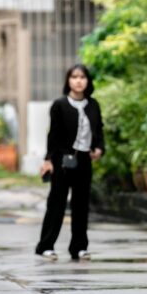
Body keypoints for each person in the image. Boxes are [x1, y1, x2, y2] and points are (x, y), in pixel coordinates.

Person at [35, 64, 105, 261]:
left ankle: (79, 248)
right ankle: (45, 246)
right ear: (68, 81)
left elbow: (99, 130)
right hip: (62, 160)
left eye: (82, 77)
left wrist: (99, 148)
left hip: (84, 160)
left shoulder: (93, 105)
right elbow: (53, 135)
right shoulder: (59, 105)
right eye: (74, 77)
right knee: (56, 204)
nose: (78, 81)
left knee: (81, 205)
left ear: (88, 81)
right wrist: (48, 160)